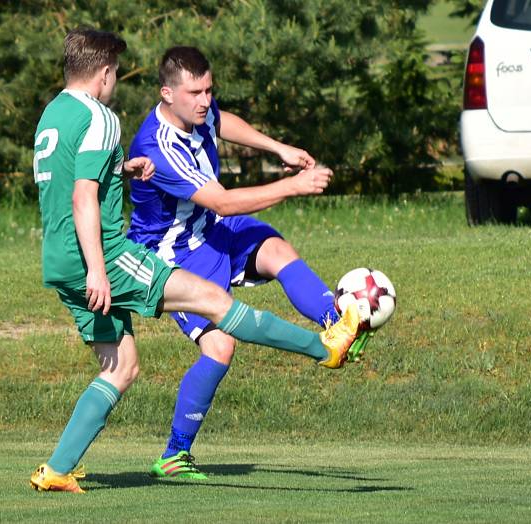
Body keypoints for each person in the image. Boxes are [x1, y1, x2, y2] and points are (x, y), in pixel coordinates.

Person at [29, 28, 360, 494]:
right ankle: (323, 348)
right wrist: (99, 271)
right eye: (116, 73)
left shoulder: (53, 114)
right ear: (104, 73)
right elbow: (83, 198)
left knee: (121, 367)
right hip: (100, 255)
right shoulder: (101, 117)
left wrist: (120, 170)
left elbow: (68, 179)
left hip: (60, 259)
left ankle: (57, 470)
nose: (116, 81)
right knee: (212, 301)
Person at [127, 46, 371, 480]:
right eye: (195, 93)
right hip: (171, 254)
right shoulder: (157, 147)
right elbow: (220, 198)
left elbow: (223, 122)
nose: (205, 100)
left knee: (277, 250)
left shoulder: (198, 113)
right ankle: (173, 455)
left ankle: (340, 325)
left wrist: (278, 147)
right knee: (221, 346)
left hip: (212, 227)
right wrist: (293, 186)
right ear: (167, 94)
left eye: (209, 90)